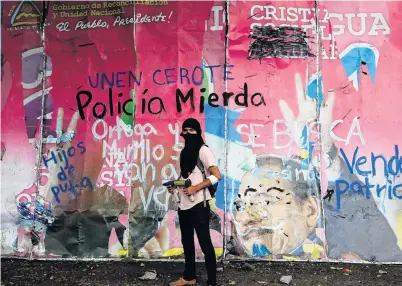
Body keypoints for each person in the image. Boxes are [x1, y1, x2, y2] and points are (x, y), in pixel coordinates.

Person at [168, 118, 222, 286]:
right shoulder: (184, 153)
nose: (189, 133)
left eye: (192, 130)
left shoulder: (204, 150)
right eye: (186, 130)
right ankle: (189, 277)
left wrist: (196, 188)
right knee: (187, 242)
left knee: (205, 243)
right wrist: (174, 187)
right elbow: (186, 177)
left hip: (199, 205)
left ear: (198, 132)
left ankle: (212, 281)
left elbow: (216, 176)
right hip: (184, 205)